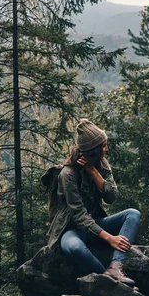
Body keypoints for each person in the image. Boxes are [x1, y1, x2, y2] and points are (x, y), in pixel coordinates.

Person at [44, 118, 140, 287]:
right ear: (93, 151)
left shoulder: (101, 164)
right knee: (75, 248)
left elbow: (112, 197)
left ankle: (116, 266)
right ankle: (107, 278)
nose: (107, 149)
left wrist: (94, 172)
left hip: (96, 223)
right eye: (103, 146)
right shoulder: (68, 174)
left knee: (132, 214)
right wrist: (110, 238)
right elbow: (79, 215)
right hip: (71, 229)